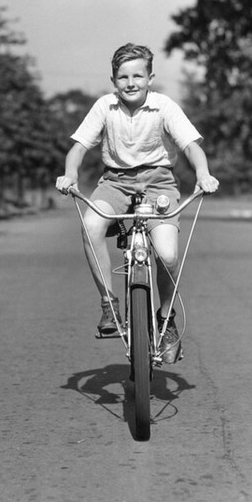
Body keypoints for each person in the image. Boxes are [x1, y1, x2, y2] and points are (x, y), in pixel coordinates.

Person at [55, 43, 219, 364]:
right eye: (123, 77)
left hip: (159, 182)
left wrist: (203, 174)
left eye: (138, 76)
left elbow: (191, 146)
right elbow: (78, 147)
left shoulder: (164, 107)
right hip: (115, 181)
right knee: (91, 226)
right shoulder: (105, 106)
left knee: (168, 253)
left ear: (150, 77)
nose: (131, 83)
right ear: (113, 80)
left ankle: (166, 317)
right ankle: (108, 304)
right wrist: (70, 174)